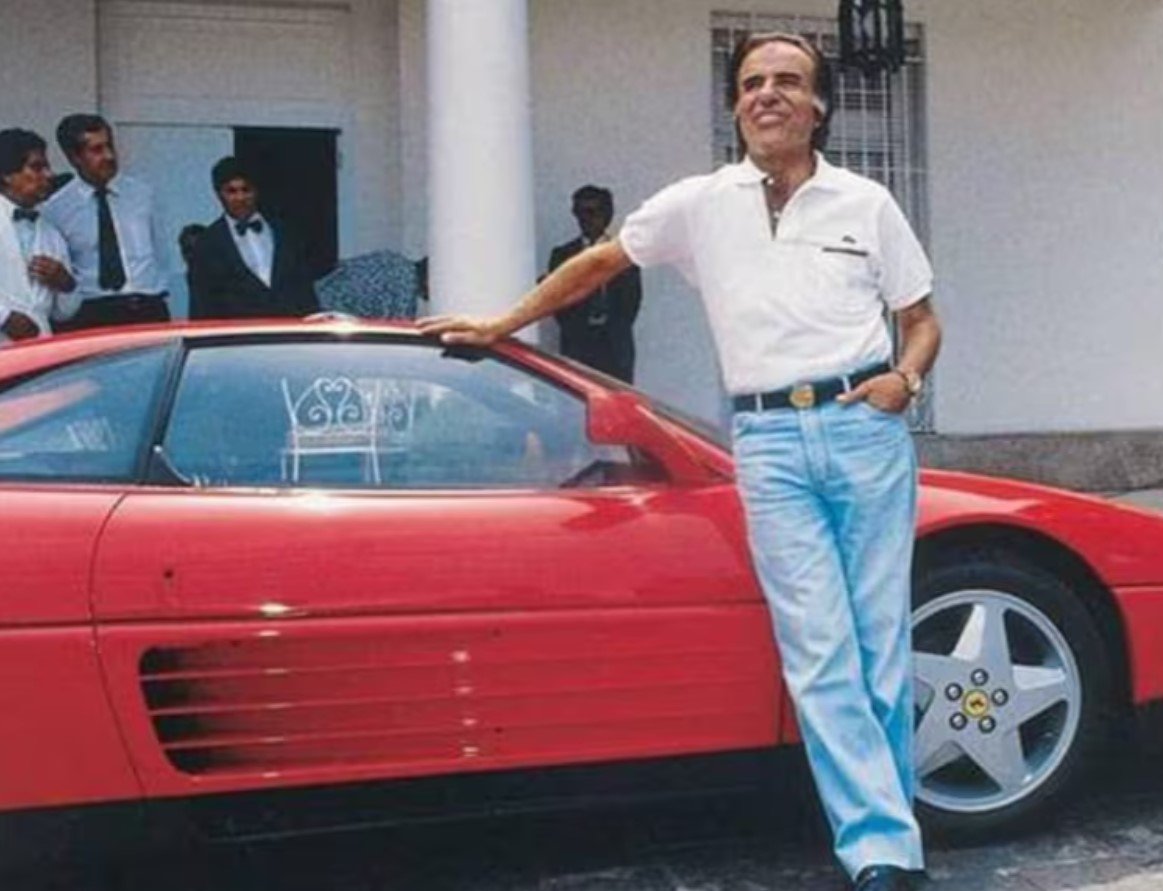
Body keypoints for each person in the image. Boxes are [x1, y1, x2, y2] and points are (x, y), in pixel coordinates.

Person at [419, 31, 940, 891]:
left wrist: (905, 380)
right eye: (752, 82)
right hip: (769, 441)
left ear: (818, 107)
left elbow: (920, 317)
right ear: (735, 105)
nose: (767, 94)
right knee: (818, 650)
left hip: (864, 429)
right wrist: (503, 323)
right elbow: (600, 261)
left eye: (788, 81)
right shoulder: (700, 204)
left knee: (880, 643)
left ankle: (891, 843)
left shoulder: (867, 201)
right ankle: (881, 847)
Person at [44, 114, 169, 330]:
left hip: (146, 307)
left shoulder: (143, 195)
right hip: (92, 312)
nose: (109, 156)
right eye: (97, 150)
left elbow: (161, 252)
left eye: (110, 146)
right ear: (74, 157)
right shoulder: (57, 209)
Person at [188, 157, 318, 320]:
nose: (240, 198)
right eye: (231, 191)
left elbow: (305, 289)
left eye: (246, 189)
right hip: (239, 333)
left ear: (256, 191)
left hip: (288, 329)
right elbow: (201, 304)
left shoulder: (286, 233)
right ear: (219, 194)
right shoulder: (207, 244)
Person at [547, 185, 643, 382]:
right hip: (577, 344)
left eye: (593, 212)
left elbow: (632, 300)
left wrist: (614, 328)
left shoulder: (623, 252)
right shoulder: (562, 255)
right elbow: (557, 301)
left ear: (607, 214)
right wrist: (576, 328)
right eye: (581, 213)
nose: (587, 219)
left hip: (615, 345)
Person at [0, 129, 75, 345]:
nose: (49, 175)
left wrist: (66, 284)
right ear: (7, 175)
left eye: (47, 167)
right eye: (37, 167)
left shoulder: (52, 234)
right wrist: (4, 317)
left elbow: (64, 313)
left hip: (40, 350)